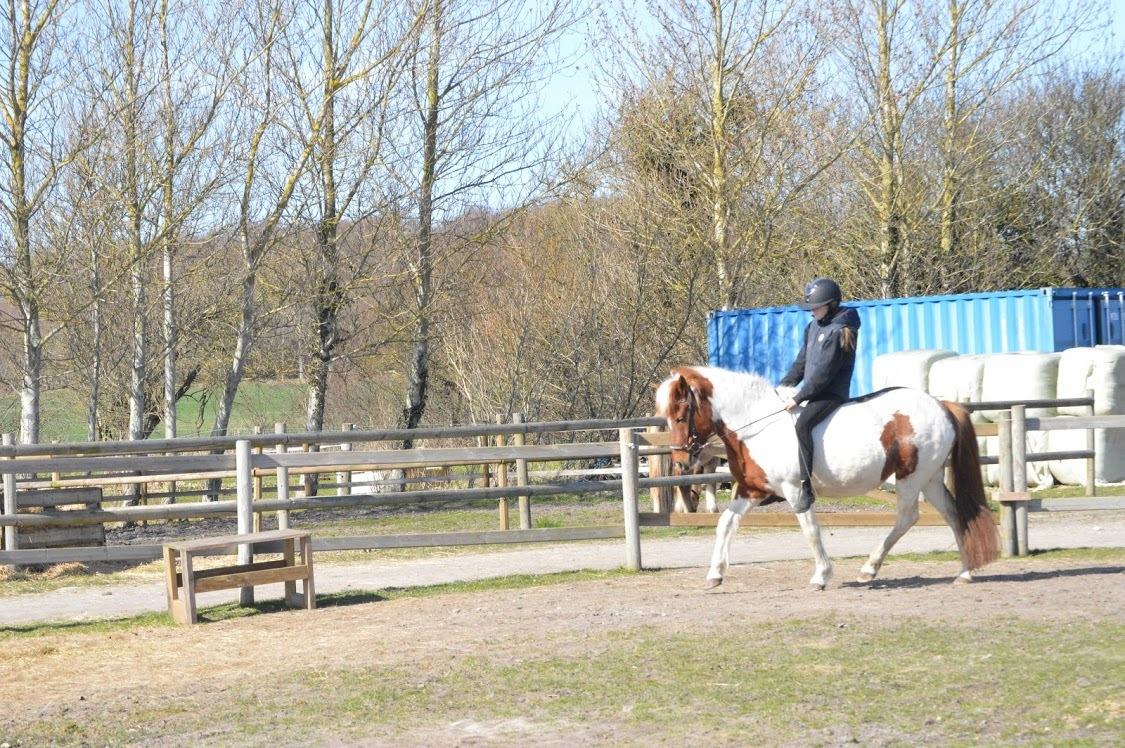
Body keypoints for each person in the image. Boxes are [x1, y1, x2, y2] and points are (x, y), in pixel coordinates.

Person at [778, 277, 861, 513]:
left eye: (817, 306)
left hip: (831, 393)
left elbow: (824, 373)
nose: (812, 311)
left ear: (832, 304)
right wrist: (785, 386)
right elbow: (802, 362)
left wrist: (798, 397)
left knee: (802, 425)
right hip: (813, 392)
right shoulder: (814, 326)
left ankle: (806, 487)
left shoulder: (841, 331)